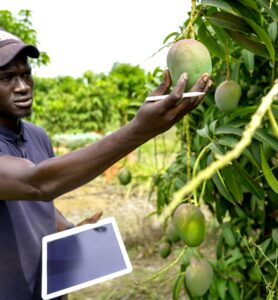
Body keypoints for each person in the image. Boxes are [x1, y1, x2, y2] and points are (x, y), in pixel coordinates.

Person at [0, 27, 212, 300]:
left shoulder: (36, 136)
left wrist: (70, 230)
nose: (22, 86)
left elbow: (36, 205)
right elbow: (37, 184)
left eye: (25, 73)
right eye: (6, 77)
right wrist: (139, 130)